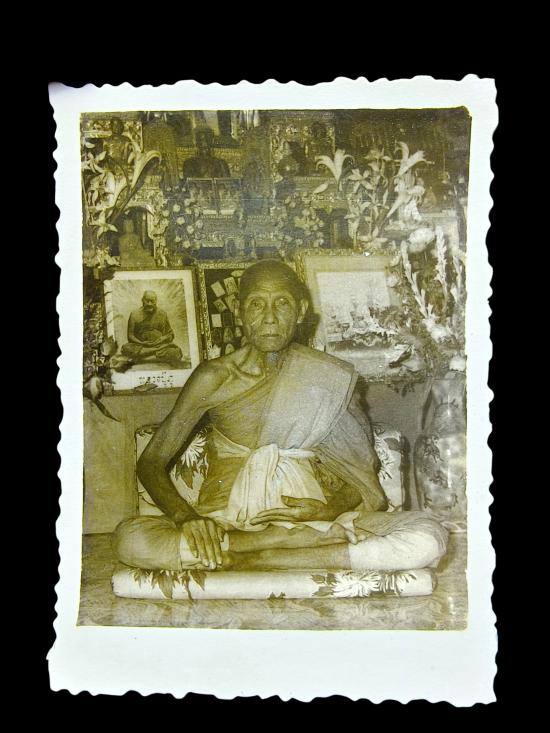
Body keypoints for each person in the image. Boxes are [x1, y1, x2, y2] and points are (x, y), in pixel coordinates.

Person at [114, 261, 447, 573]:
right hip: (227, 523)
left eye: (282, 303)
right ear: (238, 311)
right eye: (256, 304)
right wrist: (186, 518)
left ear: (300, 311)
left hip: (315, 523)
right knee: (130, 540)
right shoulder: (213, 378)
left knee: (429, 536)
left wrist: (329, 510)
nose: (269, 317)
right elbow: (151, 462)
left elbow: (361, 475)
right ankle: (287, 548)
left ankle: (258, 558)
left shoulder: (329, 376)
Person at [120, 291, 183, 365]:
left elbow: (170, 334)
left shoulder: (162, 314)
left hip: (159, 346)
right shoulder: (134, 314)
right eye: (147, 301)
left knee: (177, 352)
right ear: (142, 300)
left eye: (152, 301)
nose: (149, 304)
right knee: (126, 348)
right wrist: (141, 343)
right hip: (141, 346)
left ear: (156, 301)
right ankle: (155, 357)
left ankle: (143, 358)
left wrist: (162, 339)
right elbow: (130, 336)